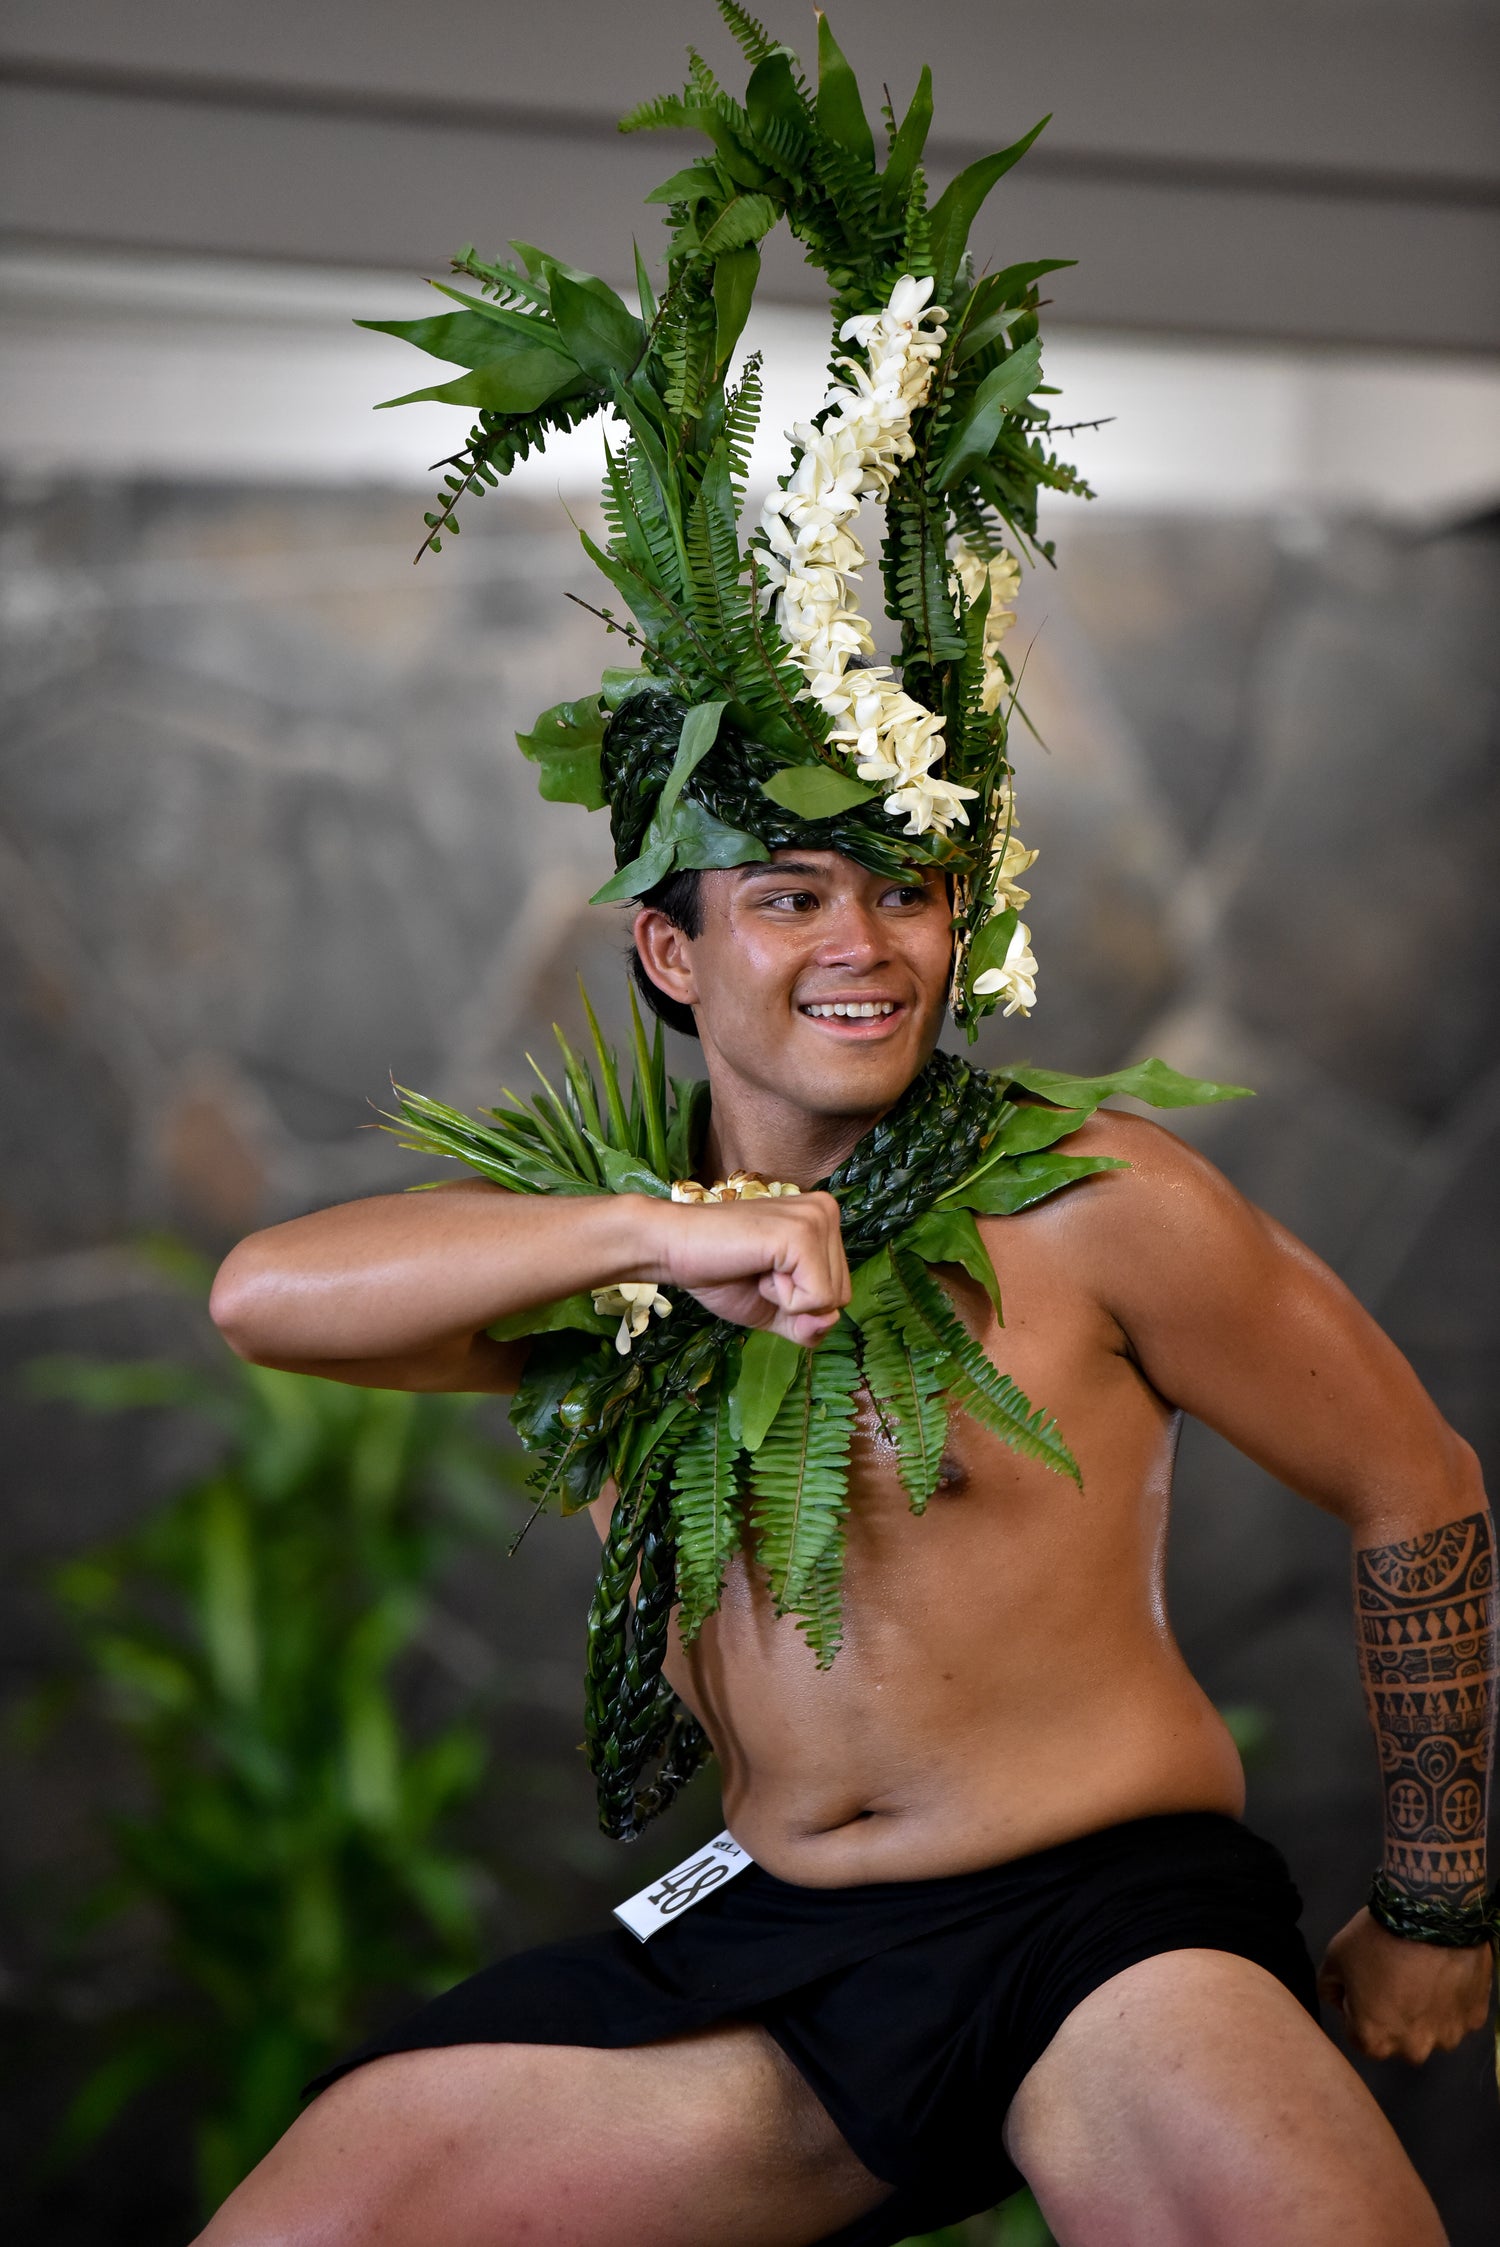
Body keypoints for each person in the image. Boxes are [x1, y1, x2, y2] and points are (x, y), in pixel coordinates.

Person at [197, 12, 1496, 2242]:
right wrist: (657, 1238)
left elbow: (1416, 1476)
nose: (866, 942)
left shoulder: (1093, 1200)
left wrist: (1444, 1898)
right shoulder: (617, 1261)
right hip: (781, 1942)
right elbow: (263, 1296)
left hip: (1102, 1924)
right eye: (789, 896)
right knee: (320, 2221)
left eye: (905, 888)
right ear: (672, 948)